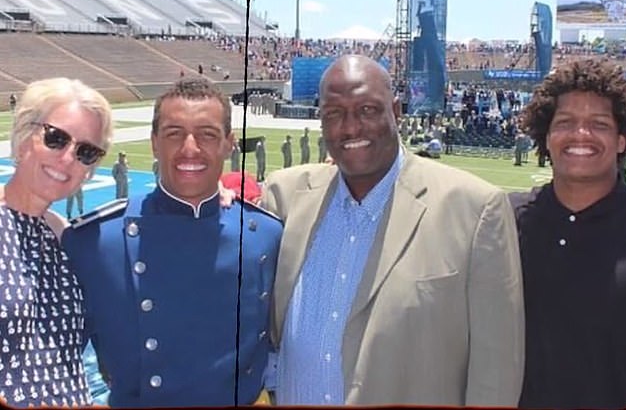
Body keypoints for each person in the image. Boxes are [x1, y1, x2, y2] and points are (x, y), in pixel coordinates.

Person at [260, 55, 524, 406]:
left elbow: (497, 371)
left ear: (396, 111)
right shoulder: (285, 196)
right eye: (334, 113)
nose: (350, 128)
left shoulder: (475, 208)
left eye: (367, 110)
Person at [62, 77, 283, 407]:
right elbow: (48, 360)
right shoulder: (95, 242)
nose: (190, 148)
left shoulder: (266, 235)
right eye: (173, 133)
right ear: (154, 143)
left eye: (207, 134)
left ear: (229, 144)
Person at [509, 58, 626, 409]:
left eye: (599, 124)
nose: (581, 134)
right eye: (565, 123)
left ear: (622, 139)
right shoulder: (503, 222)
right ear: (545, 137)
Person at [0, 77, 112, 407]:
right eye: (56, 138)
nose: (67, 159)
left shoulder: (64, 237)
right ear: (23, 139)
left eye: (86, 151)